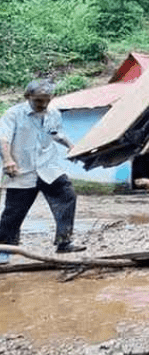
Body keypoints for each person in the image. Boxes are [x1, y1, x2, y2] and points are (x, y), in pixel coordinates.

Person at [0, 79, 87, 264]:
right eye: (39, 100)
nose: (44, 104)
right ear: (28, 96)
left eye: (47, 100)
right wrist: (7, 160)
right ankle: (4, 248)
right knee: (14, 211)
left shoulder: (53, 113)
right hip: (22, 170)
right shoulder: (13, 114)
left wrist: (71, 146)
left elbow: (56, 133)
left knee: (67, 196)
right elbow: (3, 138)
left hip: (48, 168)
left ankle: (64, 242)